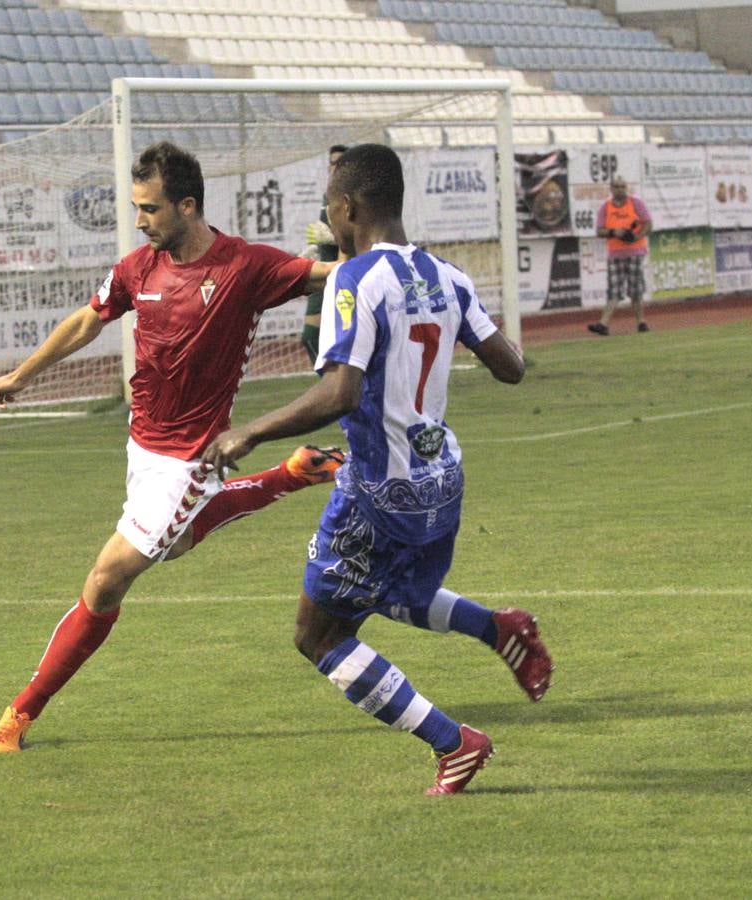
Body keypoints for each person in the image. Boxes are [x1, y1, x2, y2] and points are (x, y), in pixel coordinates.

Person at [202, 144, 554, 796]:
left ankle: (455, 743)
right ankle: (499, 628)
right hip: (440, 479)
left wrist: (249, 429)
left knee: (319, 635)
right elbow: (511, 367)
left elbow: (340, 393)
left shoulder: (353, 277)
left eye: (330, 204)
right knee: (393, 593)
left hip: (378, 490)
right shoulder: (448, 275)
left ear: (348, 207)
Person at [0, 141, 343, 755]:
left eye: (148, 208)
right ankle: (292, 472)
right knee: (176, 543)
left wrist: (389, 259)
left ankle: (19, 715)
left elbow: (324, 274)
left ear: (187, 206)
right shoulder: (138, 267)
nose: (139, 221)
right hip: (141, 450)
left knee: (106, 578)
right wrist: (21, 375)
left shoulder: (242, 267)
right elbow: (88, 319)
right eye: (135, 208)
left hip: (191, 458)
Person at [299, 144, 351, 363]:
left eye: (340, 162)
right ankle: (336, 389)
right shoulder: (327, 196)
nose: (335, 167)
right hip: (325, 272)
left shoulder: (352, 196)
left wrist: (332, 238)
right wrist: (315, 251)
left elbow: (359, 235)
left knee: (343, 338)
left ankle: (346, 390)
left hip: (345, 272)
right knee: (311, 337)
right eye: (332, 162)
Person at [589, 174, 652, 335]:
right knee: (614, 289)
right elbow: (599, 230)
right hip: (615, 254)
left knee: (635, 289)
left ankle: (641, 322)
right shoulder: (606, 207)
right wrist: (614, 232)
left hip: (635, 252)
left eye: (622, 186)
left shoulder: (636, 203)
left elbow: (648, 223)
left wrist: (636, 237)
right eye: (616, 186)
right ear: (611, 189)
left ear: (627, 188)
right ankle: (603, 324)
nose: (620, 189)